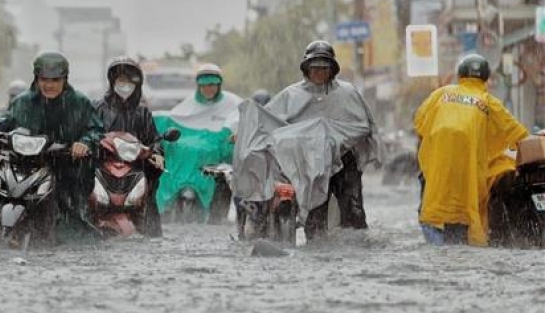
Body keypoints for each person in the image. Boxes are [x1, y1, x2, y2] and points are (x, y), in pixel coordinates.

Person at [0, 51, 105, 244]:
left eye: (55, 80)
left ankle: (76, 242)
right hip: (20, 165)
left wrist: (84, 143)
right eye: (44, 79)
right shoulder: (22, 102)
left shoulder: (79, 103)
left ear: (65, 79)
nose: (49, 85)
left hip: (65, 167)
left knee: (69, 209)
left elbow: (96, 129)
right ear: (36, 78)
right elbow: (3, 123)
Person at [261, 40, 381, 241]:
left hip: (344, 160)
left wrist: (333, 138)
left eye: (324, 68)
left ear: (332, 70)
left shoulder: (347, 93)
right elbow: (268, 122)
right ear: (306, 69)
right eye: (314, 68)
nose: (319, 72)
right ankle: (316, 247)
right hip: (310, 164)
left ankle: (358, 248)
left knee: (353, 210)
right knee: (315, 212)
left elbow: (363, 126)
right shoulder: (291, 95)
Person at [415, 54, 532, 246]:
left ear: (460, 74)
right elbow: (518, 134)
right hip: (467, 177)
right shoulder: (488, 102)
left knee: (435, 215)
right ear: (486, 78)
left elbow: (419, 121)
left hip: (436, 176)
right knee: (462, 219)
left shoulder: (441, 94)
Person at [153, 63, 243, 221]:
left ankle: (216, 217)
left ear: (219, 85)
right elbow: (174, 118)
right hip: (185, 166)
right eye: (204, 85)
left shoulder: (233, 103)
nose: (208, 89)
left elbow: (239, 125)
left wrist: (228, 140)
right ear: (198, 87)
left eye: (212, 85)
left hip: (218, 169)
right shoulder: (189, 105)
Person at [94, 56, 165, 237]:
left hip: (135, 169)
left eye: (130, 80)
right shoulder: (98, 109)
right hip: (103, 169)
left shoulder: (142, 112)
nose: (125, 85)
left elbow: (154, 139)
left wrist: (156, 153)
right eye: (121, 80)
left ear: (138, 84)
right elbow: (88, 134)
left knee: (148, 195)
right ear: (113, 82)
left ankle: (152, 234)